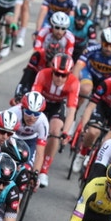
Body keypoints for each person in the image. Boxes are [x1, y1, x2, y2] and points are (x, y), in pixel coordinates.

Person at [70, 66, 111, 173]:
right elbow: (90, 107)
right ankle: (82, 153)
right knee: (93, 131)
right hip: (102, 106)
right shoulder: (106, 84)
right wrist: (84, 126)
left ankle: (97, 154)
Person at [31, 52, 79, 188]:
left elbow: (71, 110)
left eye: (64, 75)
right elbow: (33, 98)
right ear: (52, 70)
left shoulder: (74, 82)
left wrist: (66, 132)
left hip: (57, 106)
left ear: (69, 74)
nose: (59, 78)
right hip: (41, 102)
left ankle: (44, 170)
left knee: (55, 130)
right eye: (57, 74)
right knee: (32, 124)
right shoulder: (43, 74)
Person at [7, 90, 48, 175]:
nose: (32, 118)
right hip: (13, 137)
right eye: (28, 112)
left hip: (30, 142)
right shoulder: (13, 113)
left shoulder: (43, 122)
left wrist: (35, 174)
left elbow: (39, 154)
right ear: (22, 108)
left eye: (36, 114)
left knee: (26, 170)